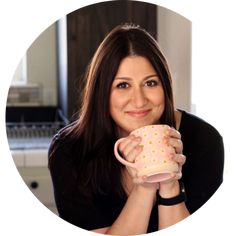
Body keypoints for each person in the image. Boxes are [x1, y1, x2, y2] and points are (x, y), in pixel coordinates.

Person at [48, 23, 224, 234]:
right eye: (123, 85)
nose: (139, 101)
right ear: (101, 92)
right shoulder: (69, 150)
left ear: (165, 87)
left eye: (150, 83)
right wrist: (145, 186)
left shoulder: (204, 140)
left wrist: (169, 185)